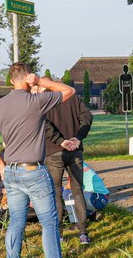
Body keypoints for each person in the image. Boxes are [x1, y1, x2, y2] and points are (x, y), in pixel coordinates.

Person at [0, 64, 76, 258]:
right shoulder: (36, 101)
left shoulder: (0, 105)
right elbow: (69, 91)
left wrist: (2, 167)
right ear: (26, 78)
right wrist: (41, 81)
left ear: (10, 80)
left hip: (11, 172)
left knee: (16, 224)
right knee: (49, 223)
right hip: (34, 171)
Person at [39, 84, 94, 245]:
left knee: (56, 194)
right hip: (75, 150)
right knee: (78, 192)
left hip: (53, 151)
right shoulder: (74, 99)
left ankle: (59, 234)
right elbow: (88, 116)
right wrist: (78, 137)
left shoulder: (45, 101)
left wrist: (60, 141)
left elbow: (44, 125)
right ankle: (83, 233)